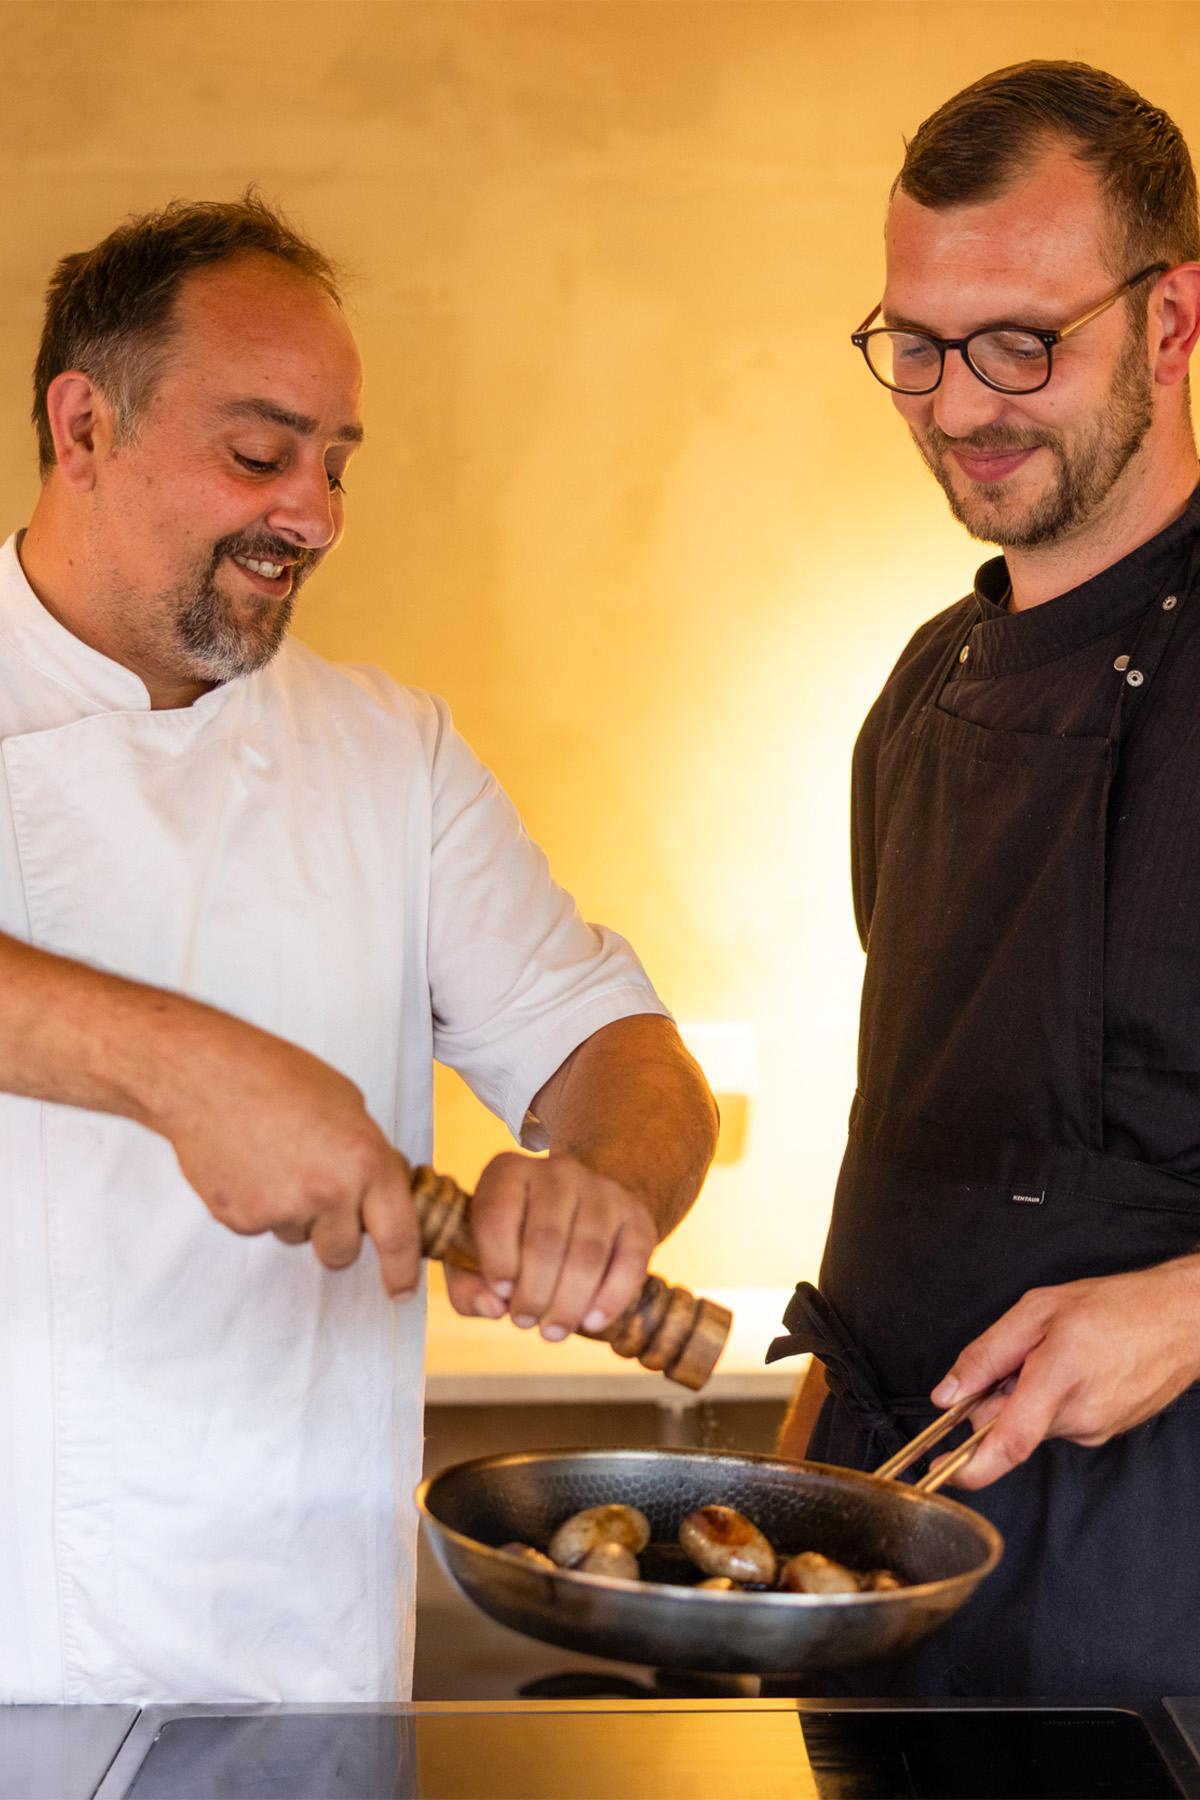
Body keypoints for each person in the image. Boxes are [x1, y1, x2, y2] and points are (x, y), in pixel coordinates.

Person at [0, 195, 718, 1705]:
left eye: (335, 464)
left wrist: (604, 1189)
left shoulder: (391, 752)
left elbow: (618, 1051)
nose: (314, 512)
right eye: (260, 454)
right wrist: (181, 1067)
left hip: (305, 1665)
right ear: (82, 424)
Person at [769, 61, 1200, 1695]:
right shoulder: (923, 688)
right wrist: (798, 1477)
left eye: (1024, 342)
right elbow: (903, 1139)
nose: (958, 403)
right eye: (917, 346)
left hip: (1157, 1586)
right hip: (889, 1566)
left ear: (1172, 320)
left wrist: (1186, 1308)